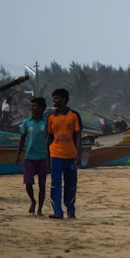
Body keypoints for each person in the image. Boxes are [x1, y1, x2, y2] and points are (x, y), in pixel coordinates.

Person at [46, 88, 82, 219]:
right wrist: (47, 157)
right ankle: (57, 211)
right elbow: (48, 137)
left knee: (71, 184)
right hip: (55, 154)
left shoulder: (74, 115)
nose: (54, 100)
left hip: (70, 155)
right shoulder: (50, 117)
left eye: (56, 98)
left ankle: (71, 210)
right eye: (53, 98)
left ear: (64, 100)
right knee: (55, 184)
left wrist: (79, 154)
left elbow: (78, 135)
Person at [15, 97, 49, 216]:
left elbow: (50, 139)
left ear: (42, 108)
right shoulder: (26, 122)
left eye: (35, 106)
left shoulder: (46, 123)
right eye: (32, 106)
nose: (32, 108)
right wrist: (18, 154)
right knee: (28, 182)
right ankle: (33, 201)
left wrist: (50, 157)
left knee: (42, 184)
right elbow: (22, 139)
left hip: (43, 156)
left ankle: (39, 208)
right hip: (29, 156)